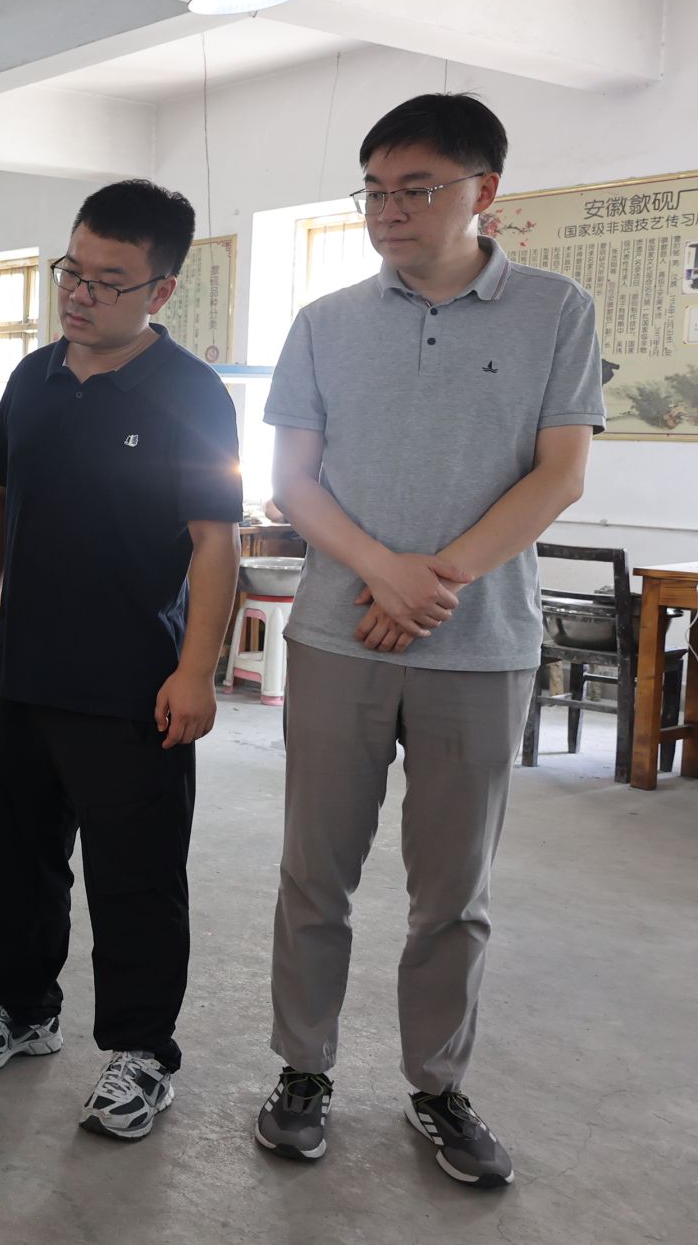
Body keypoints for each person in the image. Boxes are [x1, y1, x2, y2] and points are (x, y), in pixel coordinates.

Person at [255, 94, 602, 1186]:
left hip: (480, 646)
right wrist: (380, 571)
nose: (388, 210)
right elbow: (292, 478)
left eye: (416, 189)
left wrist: (429, 581)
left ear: (483, 192)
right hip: (337, 640)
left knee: (453, 892)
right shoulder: (324, 321)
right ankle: (302, 1069)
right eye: (373, 190)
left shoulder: (554, 308)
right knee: (315, 873)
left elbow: (559, 473)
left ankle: (438, 1085)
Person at [0, 180, 241, 1141]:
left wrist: (196, 670)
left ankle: (143, 1051)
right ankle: (25, 1008)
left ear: (161, 289)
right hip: (28, 671)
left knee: (135, 873)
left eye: (109, 280)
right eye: (72, 269)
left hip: (133, 682)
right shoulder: (30, 378)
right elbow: (0, 501)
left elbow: (216, 540)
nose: (79, 292)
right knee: (22, 856)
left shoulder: (191, 393)